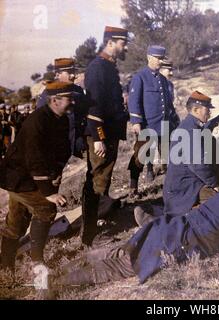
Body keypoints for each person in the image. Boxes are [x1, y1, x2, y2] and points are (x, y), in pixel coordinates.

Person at [54, 163, 219, 287]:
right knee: (121, 267)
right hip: (174, 243)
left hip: (167, 227)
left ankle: (58, 271)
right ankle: (55, 285)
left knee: (119, 251)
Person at [0, 82, 76, 270]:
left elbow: (64, 150)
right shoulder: (37, 121)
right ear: (55, 100)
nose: (72, 102)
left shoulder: (62, 119)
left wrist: (56, 172)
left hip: (29, 178)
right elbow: (34, 158)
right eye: (69, 98)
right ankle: (37, 263)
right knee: (46, 208)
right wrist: (49, 192)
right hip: (17, 177)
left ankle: (5, 266)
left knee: (17, 219)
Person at [80, 26, 129, 246]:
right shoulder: (99, 68)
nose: (124, 46)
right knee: (96, 180)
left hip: (110, 133)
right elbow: (94, 106)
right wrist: (98, 137)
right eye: (121, 42)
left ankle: (96, 226)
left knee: (104, 179)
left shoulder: (108, 66)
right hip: (102, 134)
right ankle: (89, 236)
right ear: (110, 42)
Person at [163, 91, 219, 216]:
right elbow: (198, 165)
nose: (209, 113)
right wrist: (214, 183)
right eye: (207, 110)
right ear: (196, 109)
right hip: (186, 188)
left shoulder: (190, 125)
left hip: (188, 182)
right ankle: (183, 218)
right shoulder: (191, 131)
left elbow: (207, 127)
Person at [127, 45, 179, 190]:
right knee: (140, 155)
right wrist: (136, 121)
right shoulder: (140, 77)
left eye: (162, 58)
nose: (160, 61)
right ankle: (133, 186)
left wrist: (173, 119)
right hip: (148, 124)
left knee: (167, 155)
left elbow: (167, 103)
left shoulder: (163, 80)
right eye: (157, 58)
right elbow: (134, 101)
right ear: (149, 57)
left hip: (164, 124)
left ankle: (169, 184)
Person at [37, 58, 88, 157]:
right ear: (57, 75)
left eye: (73, 71)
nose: (74, 75)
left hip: (78, 145)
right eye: (69, 72)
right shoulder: (48, 94)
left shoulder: (78, 91)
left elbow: (84, 116)